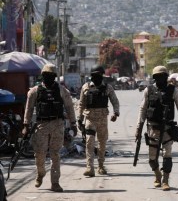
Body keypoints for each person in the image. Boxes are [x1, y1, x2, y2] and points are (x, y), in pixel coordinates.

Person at [135, 65, 178, 191]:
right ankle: (157, 175)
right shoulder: (148, 90)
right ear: (154, 78)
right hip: (152, 128)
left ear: (166, 77)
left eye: (163, 76)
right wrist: (139, 128)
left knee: (167, 155)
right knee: (152, 158)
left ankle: (165, 180)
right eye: (158, 77)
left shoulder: (173, 90)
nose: (160, 79)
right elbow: (143, 109)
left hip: (167, 128)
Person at [22, 64, 77, 192]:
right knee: (39, 154)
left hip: (57, 124)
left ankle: (55, 182)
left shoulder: (62, 91)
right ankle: (40, 173)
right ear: (42, 76)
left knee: (55, 154)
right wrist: (26, 125)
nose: (49, 78)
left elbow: (69, 107)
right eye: (46, 75)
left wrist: (73, 124)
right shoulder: (35, 91)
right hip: (41, 125)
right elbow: (29, 109)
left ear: (55, 77)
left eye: (51, 76)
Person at [78, 65, 120, 177]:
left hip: (102, 120)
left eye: (98, 75)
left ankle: (101, 166)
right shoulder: (85, 87)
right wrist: (79, 119)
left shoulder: (107, 88)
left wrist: (116, 113)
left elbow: (115, 101)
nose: (95, 77)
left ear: (101, 75)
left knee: (102, 143)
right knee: (89, 142)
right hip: (90, 119)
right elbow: (81, 104)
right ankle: (89, 167)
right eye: (94, 75)